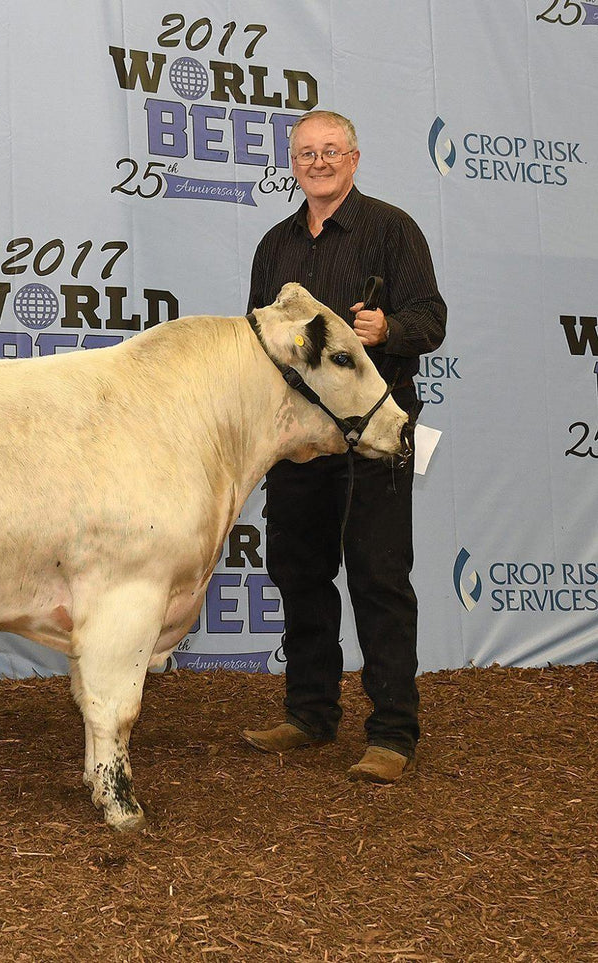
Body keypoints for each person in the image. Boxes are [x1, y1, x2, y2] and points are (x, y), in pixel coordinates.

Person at [241, 110, 447, 784]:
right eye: (306, 152)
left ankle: (391, 731)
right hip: (298, 440)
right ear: (291, 162)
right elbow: (256, 337)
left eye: (331, 150)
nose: (318, 161)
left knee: (379, 578)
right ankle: (308, 711)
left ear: (353, 158)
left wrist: (388, 326)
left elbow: (431, 319)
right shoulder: (274, 245)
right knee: (297, 572)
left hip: (374, 436)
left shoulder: (391, 228)